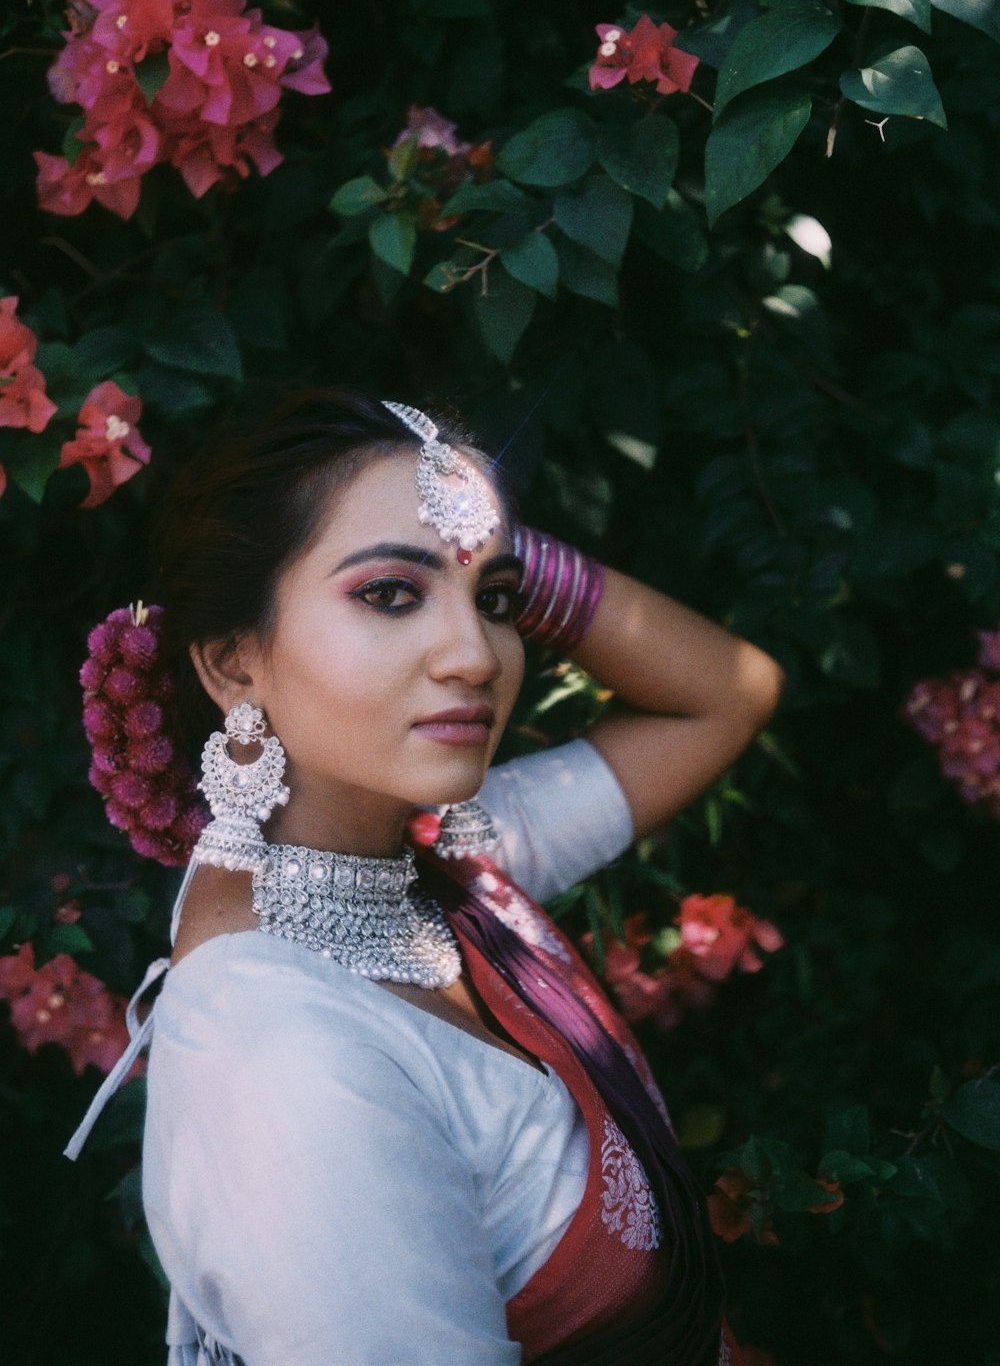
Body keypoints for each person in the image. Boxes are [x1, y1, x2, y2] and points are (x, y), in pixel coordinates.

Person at [65, 389, 785, 1365]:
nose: (476, 655)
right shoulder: (280, 1057)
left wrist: (463, 521)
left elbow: (725, 695)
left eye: (492, 600)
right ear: (234, 665)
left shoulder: (429, 859)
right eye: (391, 594)